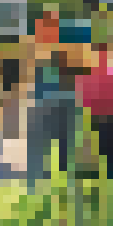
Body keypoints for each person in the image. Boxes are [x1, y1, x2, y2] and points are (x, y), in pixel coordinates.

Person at [26, 11, 82, 185]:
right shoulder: (34, 48)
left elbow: (78, 70)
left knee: (66, 144)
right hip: (44, 101)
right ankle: (38, 181)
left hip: (64, 100)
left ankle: (66, 180)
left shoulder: (66, 49)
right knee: (40, 143)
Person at [81, 39, 113, 181]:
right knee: (111, 145)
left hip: (105, 113)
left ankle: (111, 173)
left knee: (107, 145)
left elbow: (86, 93)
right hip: (108, 113)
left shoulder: (95, 71)